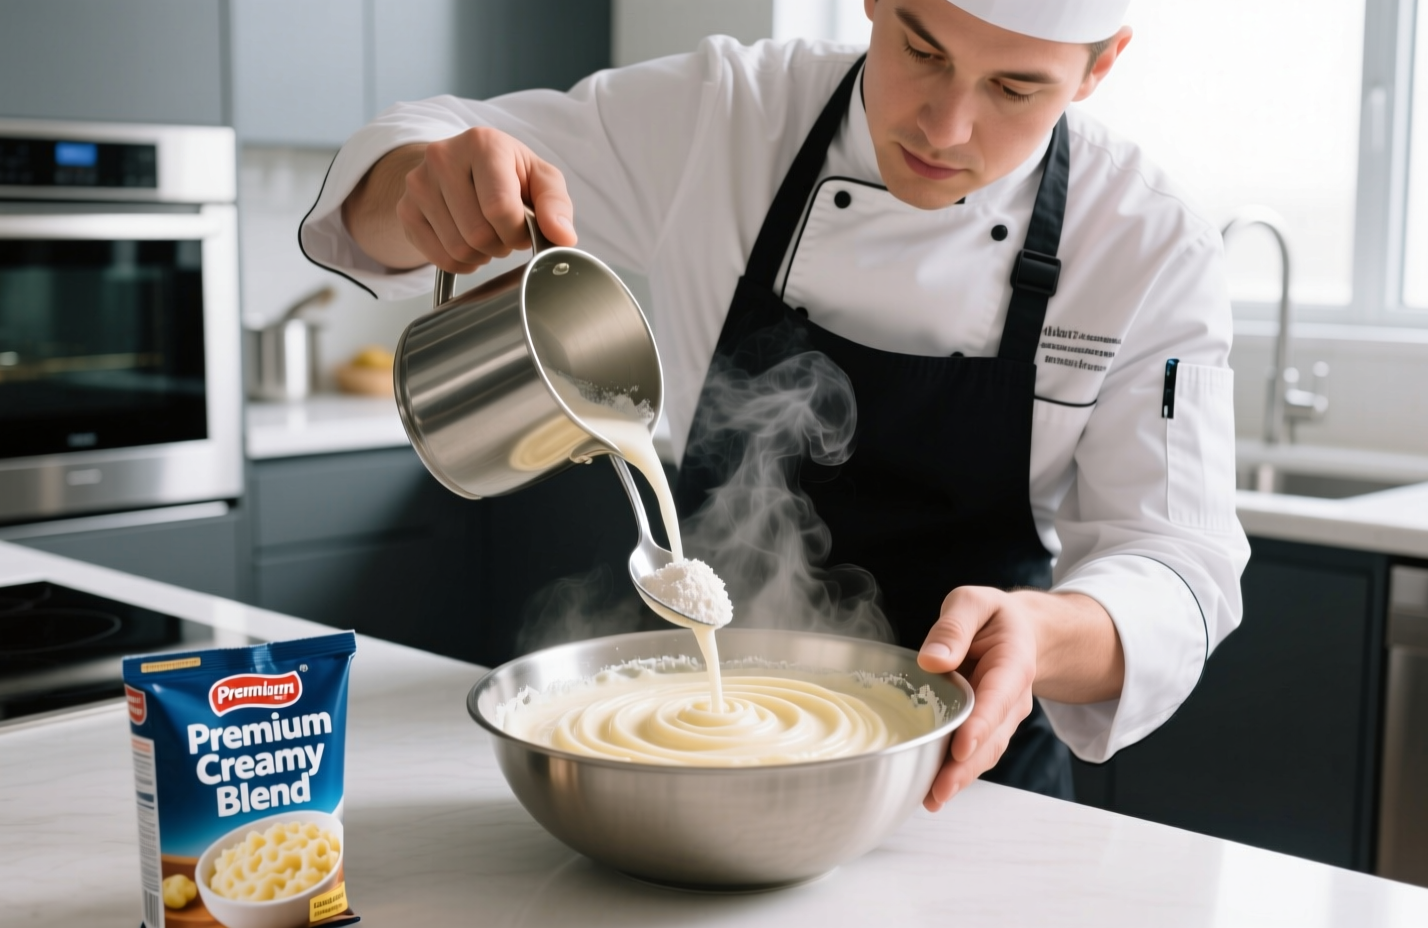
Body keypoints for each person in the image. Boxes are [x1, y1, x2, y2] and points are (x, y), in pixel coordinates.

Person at [303, 0, 1250, 811]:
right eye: (922, 51)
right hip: (695, 758)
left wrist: (1044, 635)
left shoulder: (1147, 246)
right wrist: (425, 187)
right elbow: (403, 158)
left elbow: (1177, 564)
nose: (946, 125)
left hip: (975, 781)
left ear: (1098, 68)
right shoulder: (728, 115)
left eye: (1015, 90)